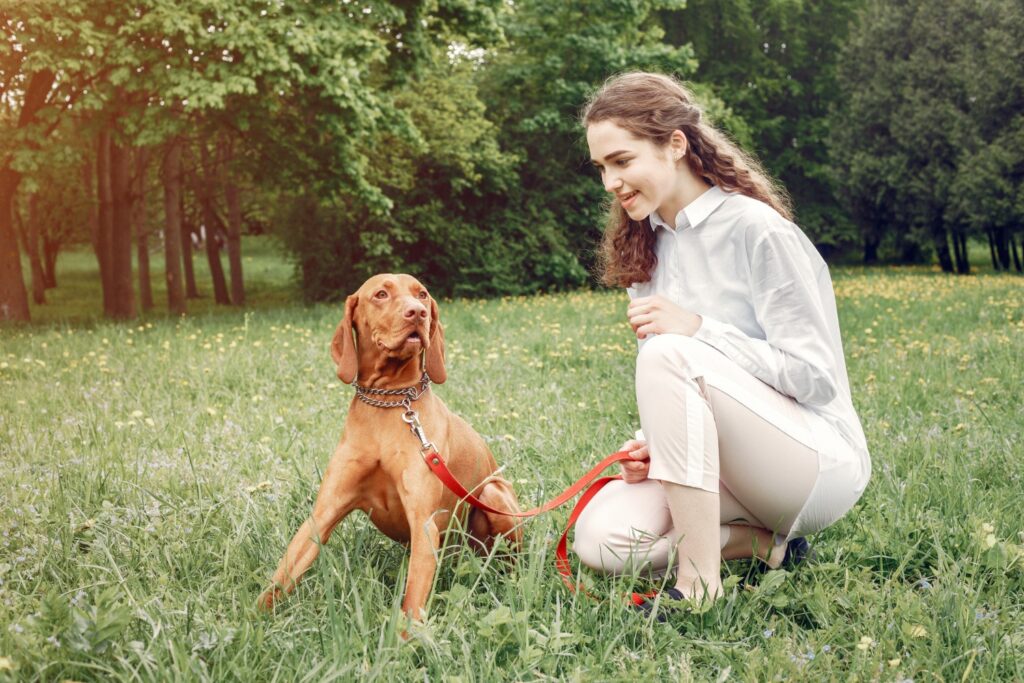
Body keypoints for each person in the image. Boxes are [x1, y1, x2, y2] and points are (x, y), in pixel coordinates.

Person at [573, 72, 871, 609]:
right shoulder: (646, 247)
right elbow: (683, 393)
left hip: (813, 468)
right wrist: (651, 445)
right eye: (601, 168)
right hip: (727, 475)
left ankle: (696, 588)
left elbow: (816, 379)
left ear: (675, 144)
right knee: (601, 542)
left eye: (621, 161)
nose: (610, 182)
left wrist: (699, 330)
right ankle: (764, 546)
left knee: (669, 350)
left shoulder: (758, 230)